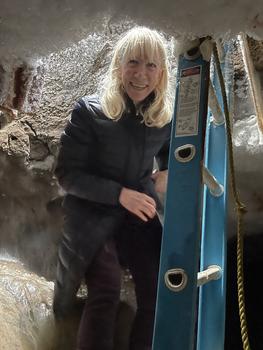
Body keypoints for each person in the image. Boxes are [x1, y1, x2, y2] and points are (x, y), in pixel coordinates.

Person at [53, 26, 173, 350]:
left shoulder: (162, 118)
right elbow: (65, 174)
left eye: (151, 65)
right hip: (91, 213)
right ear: (118, 65)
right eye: (133, 62)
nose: (141, 74)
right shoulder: (89, 111)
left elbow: (173, 157)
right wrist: (119, 194)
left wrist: (168, 172)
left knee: (157, 292)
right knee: (106, 287)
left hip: (137, 213)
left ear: (161, 72)